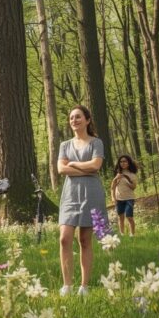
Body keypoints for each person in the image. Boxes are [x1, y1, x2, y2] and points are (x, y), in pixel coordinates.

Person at [57, 105, 106, 296]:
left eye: (78, 117)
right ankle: (67, 285)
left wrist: (74, 164)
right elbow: (61, 169)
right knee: (64, 238)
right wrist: (85, 168)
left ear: (87, 120)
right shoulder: (65, 145)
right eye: (71, 118)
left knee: (85, 240)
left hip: (91, 193)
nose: (74, 120)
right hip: (70, 194)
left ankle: (84, 286)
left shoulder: (96, 142)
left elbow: (96, 165)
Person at [110, 155, 138, 236]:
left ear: (128, 163)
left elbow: (133, 187)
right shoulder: (117, 174)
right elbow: (112, 187)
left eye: (125, 161)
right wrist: (113, 198)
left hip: (129, 198)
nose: (123, 163)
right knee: (120, 217)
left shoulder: (132, 175)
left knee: (129, 217)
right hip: (119, 199)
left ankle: (132, 235)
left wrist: (126, 179)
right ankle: (122, 234)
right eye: (121, 162)